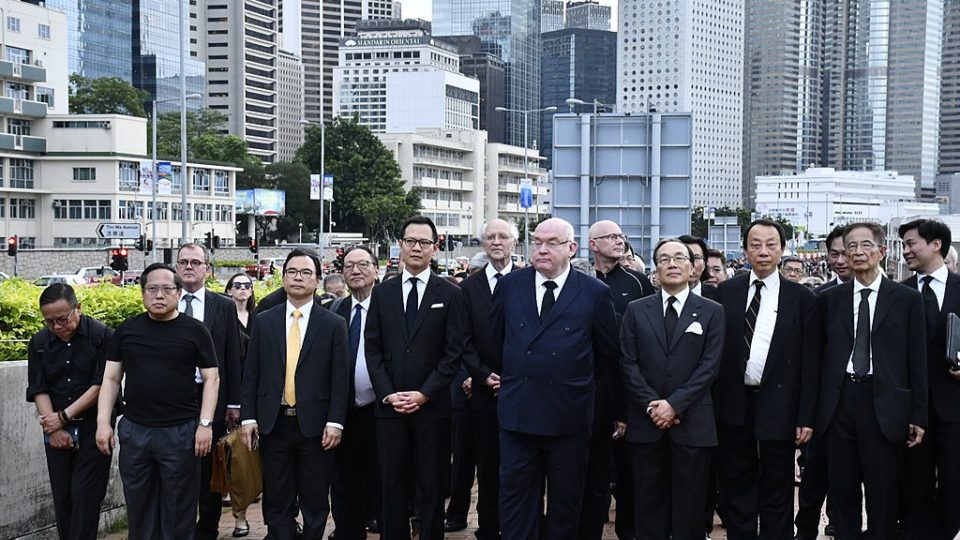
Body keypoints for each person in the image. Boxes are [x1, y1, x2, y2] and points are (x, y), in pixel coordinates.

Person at [491, 217, 619, 540]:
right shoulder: (510, 287)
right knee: (516, 503)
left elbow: (606, 356)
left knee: (565, 505)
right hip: (518, 417)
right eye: (537, 242)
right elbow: (496, 343)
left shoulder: (594, 293)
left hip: (569, 419)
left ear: (572, 249)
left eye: (552, 243)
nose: (542, 249)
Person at [804, 222, 927, 540]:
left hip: (885, 405)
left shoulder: (907, 299)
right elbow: (814, 363)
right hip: (839, 402)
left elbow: (918, 362)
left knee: (883, 493)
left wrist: (918, 415)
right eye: (850, 247)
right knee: (841, 491)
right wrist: (809, 415)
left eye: (865, 246)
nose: (857, 253)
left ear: (882, 251)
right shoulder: (829, 300)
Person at [95, 263, 219, 540]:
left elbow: (212, 379)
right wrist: (103, 424)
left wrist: (205, 425)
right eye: (152, 289)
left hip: (181, 432)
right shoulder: (127, 331)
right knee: (139, 506)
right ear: (142, 293)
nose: (159, 295)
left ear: (178, 292)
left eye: (166, 289)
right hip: (136, 431)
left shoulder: (196, 331)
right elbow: (111, 380)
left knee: (179, 509)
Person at [365, 216, 464, 540]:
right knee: (390, 485)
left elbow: (453, 353)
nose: (416, 247)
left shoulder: (450, 294)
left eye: (424, 242)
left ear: (435, 248)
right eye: (410, 241)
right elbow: (373, 350)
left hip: (432, 409)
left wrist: (425, 394)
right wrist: (388, 394)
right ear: (400, 245)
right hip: (390, 409)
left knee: (431, 485)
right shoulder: (382, 293)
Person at [715, 220, 816, 540]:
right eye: (755, 244)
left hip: (781, 403)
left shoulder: (801, 298)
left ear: (782, 250)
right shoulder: (726, 293)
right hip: (734, 401)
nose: (763, 251)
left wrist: (805, 416)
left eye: (771, 244)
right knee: (737, 482)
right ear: (745, 250)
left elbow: (810, 364)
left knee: (778, 484)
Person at [620, 238, 725, 540]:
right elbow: (627, 363)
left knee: (690, 507)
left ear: (693, 268)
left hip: (693, 421)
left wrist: (674, 405)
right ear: (655, 270)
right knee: (648, 503)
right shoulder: (636, 310)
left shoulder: (712, 311)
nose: (672, 264)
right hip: (647, 421)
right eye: (664, 259)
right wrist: (654, 404)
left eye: (680, 258)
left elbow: (710, 366)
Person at [240, 249, 349, 540]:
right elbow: (252, 372)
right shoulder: (265, 320)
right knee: (277, 499)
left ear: (317, 280)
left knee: (315, 499)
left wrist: (336, 422)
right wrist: (248, 417)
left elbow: (340, 378)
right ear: (283, 277)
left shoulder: (333, 324)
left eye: (305, 273)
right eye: (292, 272)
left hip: (316, 427)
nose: (298, 278)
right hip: (274, 424)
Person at [582, 220, 655, 540]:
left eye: (621, 236)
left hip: (627, 390)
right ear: (593, 244)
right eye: (611, 237)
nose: (619, 241)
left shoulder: (638, 283)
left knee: (629, 473)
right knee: (590, 474)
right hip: (587, 390)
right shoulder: (578, 281)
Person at [26, 284, 113, 540]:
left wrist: (63, 417)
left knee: (86, 496)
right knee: (62, 498)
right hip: (55, 429)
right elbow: (38, 387)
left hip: (93, 426)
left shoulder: (101, 336)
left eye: (62, 319)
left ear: (78, 309)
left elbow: (102, 384)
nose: (57, 326)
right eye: (50, 321)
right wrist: (52, 427)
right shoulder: (40, 342)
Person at [176, 243, 243, 540]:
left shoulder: (223, 305)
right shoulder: (166, 300)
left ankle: (208, 529)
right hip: (175, 399)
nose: (189, 267)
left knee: (210, 472)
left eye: (195, 262)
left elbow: (232, 356)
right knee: (178, 468)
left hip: (213, 397)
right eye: (183, 262)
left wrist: (234, 403)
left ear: (207, 268)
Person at [898, 219, 960, 539]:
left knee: (954, 482)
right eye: (904, 245)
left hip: (954, 406)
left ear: (936, 245)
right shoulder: (899, 293)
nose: (906, 251)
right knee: (914, 483)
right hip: (912, 408)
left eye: (911, 244)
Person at [459, 219, 519, 540]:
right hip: (484, 392)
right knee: (487, 464)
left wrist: (512, 376)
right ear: (483, 243)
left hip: (521, 390)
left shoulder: (528, 281)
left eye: (503, 237)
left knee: (521, 466)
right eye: (491, 237)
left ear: (514, 243)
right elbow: (463, 340)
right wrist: (483, 376)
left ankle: (520, 526)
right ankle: (488, 527)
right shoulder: (469, 288)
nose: (497, 242)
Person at [795, 226, 851, 538]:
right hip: (822, 408)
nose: (842, 259)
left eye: (848, 251)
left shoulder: (888, 298)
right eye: (835, 253)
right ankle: (804, 530)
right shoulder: (819, 298)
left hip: (862, 406)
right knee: (814, 477)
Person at [328, 246, 384, 539]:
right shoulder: (335, 309)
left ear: (376, 270)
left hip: (381, 410)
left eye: (363, 264)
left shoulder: (388, 306)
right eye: (349, 266)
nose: (356, 271)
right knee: (343, 481)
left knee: (382, 479)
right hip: (344, 412)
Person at [224, 272, 256, 537]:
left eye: (248, 285)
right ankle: (237, 515)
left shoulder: (262, 318)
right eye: (238, 285)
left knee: (246, 463)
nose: (243, 289)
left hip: (255, 397)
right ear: (229, 289)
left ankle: (241, 518)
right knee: (232, 461)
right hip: (227, 399)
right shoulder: (222, 318)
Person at [679, 235, 719, 300]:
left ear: (704, 264)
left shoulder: (719, 296)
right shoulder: (659, 298)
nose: (690, 264)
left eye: (696, 258)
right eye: (683, 258)